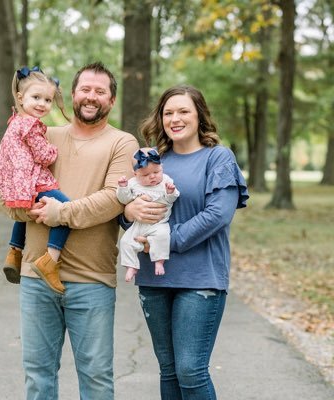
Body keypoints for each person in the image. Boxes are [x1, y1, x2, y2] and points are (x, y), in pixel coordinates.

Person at [0, 62, 138, 400]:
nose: (91, 96)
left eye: (100, 91)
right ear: (72, 94)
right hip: (35, 277)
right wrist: (16, 205)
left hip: (92, 279)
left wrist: (61, 213)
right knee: (38, 376)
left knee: (97, 379)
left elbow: (112, 201)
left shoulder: (122, 143)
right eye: (85, 89)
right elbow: (6, 181)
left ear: (111, 100)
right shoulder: (43, 133)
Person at [122, 84, 249, 400]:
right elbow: (133, 208)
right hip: (154, 278)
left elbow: (218, 215)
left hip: (201, 278)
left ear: (199, 115)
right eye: (168, 113)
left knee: (191, 371)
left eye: (183, 111)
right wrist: (127, 211)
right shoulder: (153, 160)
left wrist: (168, 242)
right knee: (169, 370)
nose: (174, 119)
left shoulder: (218, 158)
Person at [0, 66, 71, 294]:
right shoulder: (31, 125)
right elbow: (43, 155)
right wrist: (54, 150)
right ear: (20, 97)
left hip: (16, 184)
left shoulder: (15, 121)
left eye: (47, 100)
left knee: (26, 213)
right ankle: (50, 260)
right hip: (33, 181)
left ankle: (14, 252)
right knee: (64, 210)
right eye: (36, 97)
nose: (42, 104)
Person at [116, 147, 179, 282]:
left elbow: (171, 200)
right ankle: (131, 266)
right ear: (135, 174)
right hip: (139, 224)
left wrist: (170, 192)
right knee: (125, 241)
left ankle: (159, 261)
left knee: (162, 237)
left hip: (159, 223)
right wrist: (122, 187)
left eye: (156, 172)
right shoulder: (132, 184)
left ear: (162, 167)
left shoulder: (165, 181)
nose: (152, 176)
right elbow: (124, 199)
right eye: (145, 175)